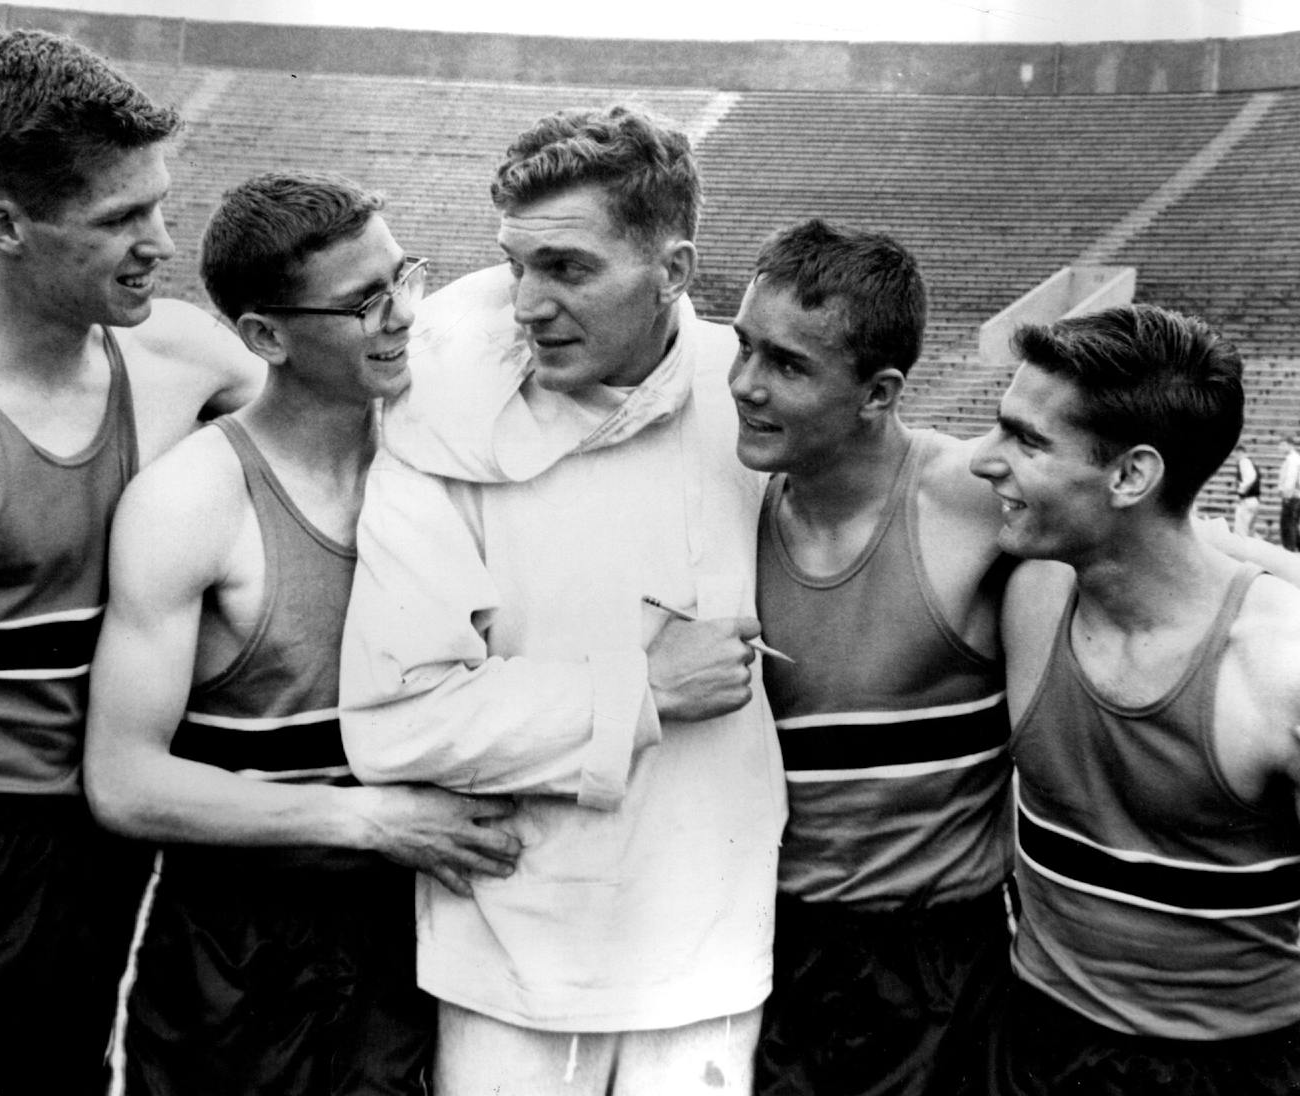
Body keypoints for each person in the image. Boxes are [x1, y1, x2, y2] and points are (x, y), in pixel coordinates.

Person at [338, 105, 786, 1095]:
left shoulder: (753, 397)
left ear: (671, 270)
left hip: (706, 948)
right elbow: (392, 722)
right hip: (510, 955)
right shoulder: (438, 420)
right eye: (516, 265)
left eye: (569, 269)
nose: (529, 303)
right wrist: (641, 689)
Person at [0, 29, 264, 1096]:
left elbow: (358, 429)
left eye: (161, 205)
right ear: (3, 225)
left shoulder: (182, 357)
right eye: (120, 221)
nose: (162, 243)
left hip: (134, 842)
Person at [83, 171, 522, 1096]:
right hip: (234, 948)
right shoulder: (190, 501)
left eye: (405, 278)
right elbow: (125, 781)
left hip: (403, 928)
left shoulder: (436, 460)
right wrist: (366, 819)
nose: (402, 315)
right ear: (264, 336)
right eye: (365, 302)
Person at [969, 304, 1300, 1095]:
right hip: (1031, 1042)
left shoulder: (1276, 672)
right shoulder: (1029, 594)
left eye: (1026, 439)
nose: (983, 461)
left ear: (1130, 476)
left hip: (1235, 1068)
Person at [732, 219, 1013, 1096]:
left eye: (787, 365)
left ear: (878, 392)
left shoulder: (969, 500)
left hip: (933, 961)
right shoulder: (721, 505)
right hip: (766, 947)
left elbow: (1164, 543)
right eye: (742, 349)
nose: (745, 385)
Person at [1232, 440, 1260, 536]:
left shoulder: (1244, 461)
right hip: (1253, 500)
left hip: (1247, 500)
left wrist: (1241, 492)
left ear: (1239, 453)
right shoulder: (1251, 462)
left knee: (1241, 532)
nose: (1234, 457)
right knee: (1250, 532)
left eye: (1235, 454)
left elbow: (1250, 478)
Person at [1277, 433, 1300, 550]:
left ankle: (1290, 549)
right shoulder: (1293, 458)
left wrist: (1286, 495)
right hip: (1295, 496)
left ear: (1290, 445)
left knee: (1287, 525)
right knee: (1292, 524)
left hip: (1292, 496)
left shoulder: (1292, 460)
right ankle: (1294, 548)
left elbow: (1291, 478)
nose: (1280, 447)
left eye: (1283, 445)